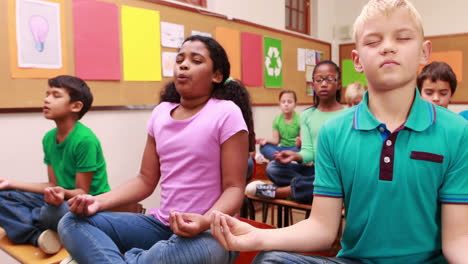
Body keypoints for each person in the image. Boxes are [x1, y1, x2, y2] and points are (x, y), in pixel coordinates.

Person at [211, 0, 468, 263]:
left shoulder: (456, 131)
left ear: (424, 52)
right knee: (271, 260)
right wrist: (258, 236)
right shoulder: (334, 132)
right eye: (373, 41)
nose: (388, 47)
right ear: (356, 60)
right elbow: (322, 227)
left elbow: (457, 240)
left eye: (402, 37)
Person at [57, 35, 253, 264]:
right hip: (162, 225)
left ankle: (130, 258)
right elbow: (145, 180)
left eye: (196, 60)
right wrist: (98, 202)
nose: (184, 64)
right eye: (180, 59)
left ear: (217, 75)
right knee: (71, 222)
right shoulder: (161, 113)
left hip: (210, 232)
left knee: (194, 252)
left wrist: (205, 221)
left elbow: (234, 189)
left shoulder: (226, 112)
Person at [0, 75, 110, 254]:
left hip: (84, 206)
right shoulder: (49, 138)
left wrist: (60, 195)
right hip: (59, 199)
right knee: (3, 196)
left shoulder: (85, 140)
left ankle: (35, 225)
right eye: (47, 94)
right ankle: (40, 236)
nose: (47, 99)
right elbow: (52, 185)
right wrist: (9, 183)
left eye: (56, 95)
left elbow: (83, 193)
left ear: (76, 106)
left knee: (53, 212)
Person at [247, 60, 347, 204]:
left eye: (330, 79)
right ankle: (316, 189)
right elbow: (308, 153)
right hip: (314, 170)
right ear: (313, 85)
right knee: (273, 168)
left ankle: (276, 192)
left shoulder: (348, 115)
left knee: (334, 178)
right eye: (319, 80)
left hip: (335, 171)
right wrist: (295, 156)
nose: (324, 84)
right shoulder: (307, 115)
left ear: (338, 84)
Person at [256, 90, 301, 161]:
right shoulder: (277, 120)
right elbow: (276, 141)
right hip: (282, 149)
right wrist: (266, 140)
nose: (286, 104)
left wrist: (300, 142)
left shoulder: (300, 119)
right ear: (279, 104)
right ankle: (282, 159)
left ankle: (280, 159)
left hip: (295, 149)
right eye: (283, 102)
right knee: (263, 147)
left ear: (295, 104)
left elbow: (303, 143)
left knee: (301, 150)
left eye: (289, 102)